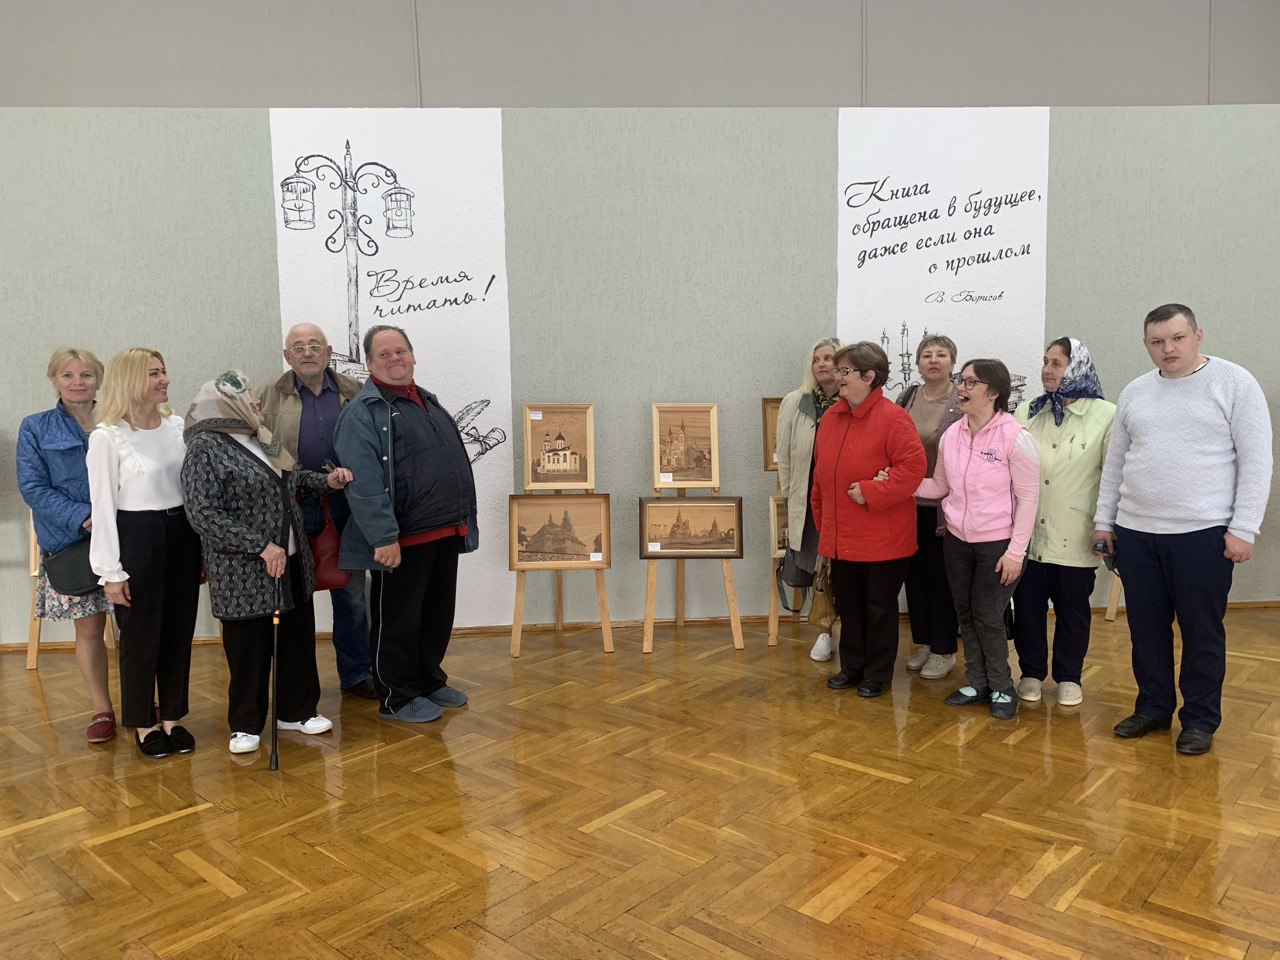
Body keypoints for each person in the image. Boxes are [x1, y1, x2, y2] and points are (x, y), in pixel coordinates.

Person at [1094, 304, 1272, 755]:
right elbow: (1115, 464)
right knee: (1146, 629)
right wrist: (1105, 522)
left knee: (1201, 631)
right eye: (1157, 341)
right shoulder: (1136, 391)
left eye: (1177, 338)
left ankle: (1199, 719)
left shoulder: (1234, 382)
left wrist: (1244, 527)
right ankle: (1153, 708)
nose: (1167, 348)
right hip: (1136, 534)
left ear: (1198, 336)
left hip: (1203, 535)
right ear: (1147, 345)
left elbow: (1256, 459)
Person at [182, 371, 353, 755]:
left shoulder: (262, 435)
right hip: (243, 569)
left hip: (290, 558)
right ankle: (245, 723)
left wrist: (329, 482)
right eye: (247, 396)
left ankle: (297, 710)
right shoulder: (204, 446)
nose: (257, 401)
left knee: (296, 636)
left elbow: (291, 480)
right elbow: (202, 513)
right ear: (224, 402)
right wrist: (260, 544)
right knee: (249, 647)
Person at [334, 325, 477, 723]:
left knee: (435, 614)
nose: (394, 358)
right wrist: (383, 536)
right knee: (397, 620)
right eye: (384, 354)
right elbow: (362, 482)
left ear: (413, 356)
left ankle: (428, 680)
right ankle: (397, 696)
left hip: (445, 530)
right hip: (402, 539)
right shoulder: (362, 414)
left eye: (401, 351)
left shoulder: (426, 401)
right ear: (369, 363)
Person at [87, 348, 202, 758]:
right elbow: (102, 509)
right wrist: (110, 572)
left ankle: (173, 715)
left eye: (164, 371)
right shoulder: (106, 436)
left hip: (182, 534)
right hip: (137, 536)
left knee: (177, 629)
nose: (164, 379)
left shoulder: (177, 427)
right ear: (132, 379)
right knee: (139, 637)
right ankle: (143, 721)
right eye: (154, 373)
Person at [916, 359, 1040, 719]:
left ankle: (1003, 687)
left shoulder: (1015, 437)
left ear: (995, 391)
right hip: (956, 540)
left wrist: (1016, 552)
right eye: (961, 380)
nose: (962, 388)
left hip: (998, 545)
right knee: (966, 613)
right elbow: (939, 486)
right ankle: (978, 681)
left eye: (971, 382)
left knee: (988, 615)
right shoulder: (952, 434)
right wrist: (898, 483)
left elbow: (1029, 499)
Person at [258, 322, 375, 699]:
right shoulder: (269, 395)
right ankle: (298, 682)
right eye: (298, 346)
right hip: (293, 505)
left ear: (328, 352)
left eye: (314, 345)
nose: (307, 352)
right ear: (287, 356)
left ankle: (357, 673)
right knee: (295, 594)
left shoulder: (353, 391)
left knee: (352, 591)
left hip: (347, 503)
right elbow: (264, 447)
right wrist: (297, 475)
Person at [810, 342, 926, 698]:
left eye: (845, 371)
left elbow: (913, 470)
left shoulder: (893, 418)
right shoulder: (831, 417)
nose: (837, 376)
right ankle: (852, 667)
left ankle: (877, 674)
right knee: (849, 606)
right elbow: (821, 475)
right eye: (838, 371)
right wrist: (822, 521)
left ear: (869, 376)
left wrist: (871, 491)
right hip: (842, 536)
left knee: (878, 608)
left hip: (883, 539)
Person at [17, 347, 116, 744]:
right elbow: (34, 488)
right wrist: (85, 516)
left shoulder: (118, 421)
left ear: (99, 380)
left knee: (139, 626)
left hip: (128, 537)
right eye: (68, 375)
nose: (77, 382)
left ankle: (146, 702)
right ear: (53, 380)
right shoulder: (36, 427)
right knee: (90, 629)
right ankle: (102, 710)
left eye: (86, 375)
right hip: (74, 543)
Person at [1012, 337, 1115, 707]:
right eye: (1045, 362)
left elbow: (1112, 475)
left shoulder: (1106, 415)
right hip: (1029, 534)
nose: (1047, 370)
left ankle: (1070, 676)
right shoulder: (1027, 411)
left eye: (1057, 363)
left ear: (1077, 367)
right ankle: (1030, 672)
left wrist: (1106, 525)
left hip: (1077, 532)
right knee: (1027, 607)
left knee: (1073, 609)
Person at [896, 334, 963, 680]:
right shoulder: (907, 397)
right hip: (908, 504)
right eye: (926, 355)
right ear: (919, 364)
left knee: (941, 578)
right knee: (915, 577)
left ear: (953, 362)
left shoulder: (961, 399)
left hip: (945, 509)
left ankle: (945, 649)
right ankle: (925, 641)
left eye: (941, 355)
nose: (933, 360)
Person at [775, 336, 843, 661]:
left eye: (829, 358)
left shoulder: (853, 402)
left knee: (846, 571)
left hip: (845, 505)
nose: (822, 364)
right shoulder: (795, 402)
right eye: (817, 359)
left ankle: (852, 632)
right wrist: (790, 499)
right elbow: (785, 456)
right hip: (810, 503)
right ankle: (824, 632)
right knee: (819, 569)